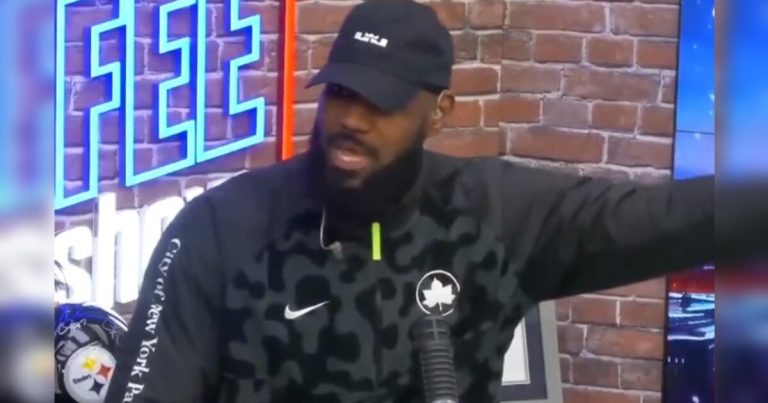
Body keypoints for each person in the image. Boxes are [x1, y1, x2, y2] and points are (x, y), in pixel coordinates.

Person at [105, 0, 768, 402]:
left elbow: (660, 221)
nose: (351, 120)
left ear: (439, 112)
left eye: (380, 102)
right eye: (340, 93)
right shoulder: (220, 228)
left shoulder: (492, 216)